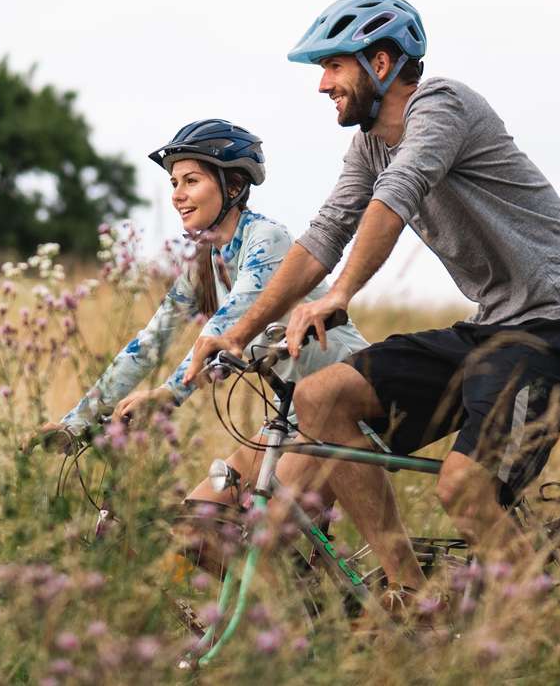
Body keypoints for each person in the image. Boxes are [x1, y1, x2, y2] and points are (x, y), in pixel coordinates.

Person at [183, 0, 560, 599]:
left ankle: (549, 640)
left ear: (380, 64)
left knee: (464, 488)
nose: (322, 84)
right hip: (493, 328)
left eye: (333, 66)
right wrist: (236, 331)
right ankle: (412, 598)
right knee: (323, 395)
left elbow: (397, 196)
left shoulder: (445, 106)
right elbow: (326, 233)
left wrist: (341, 295)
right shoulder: (368, 144)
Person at [39, 118, 369, 511]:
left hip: (345, 400)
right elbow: (149, 342)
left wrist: (166, 395)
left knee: (258, 535)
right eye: (174, 184)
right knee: (199, 529)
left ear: (233, 186)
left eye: (191, 180)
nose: (178, 195)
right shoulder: (205, 263)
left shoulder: (268, 240)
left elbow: (226, 325)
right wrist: (75, 423)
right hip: (291, 417)